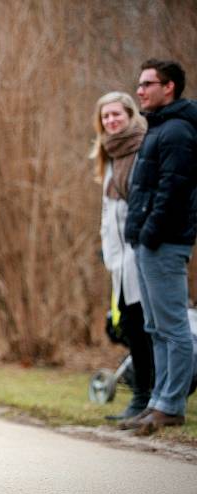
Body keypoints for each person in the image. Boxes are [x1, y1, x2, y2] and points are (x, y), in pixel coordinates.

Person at [121, 59, 197, 435]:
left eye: (148, 84)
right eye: (140, 84)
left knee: (173, 326)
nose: (140, 90)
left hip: (164, 242)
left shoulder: (179, 130)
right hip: (148, 242)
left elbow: (173, 189)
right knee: (154, 326)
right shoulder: (159, 127)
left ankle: (172, 404)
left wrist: (149, 232)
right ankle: (158, 403)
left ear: (169, 88)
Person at [89, 91, 154, 422]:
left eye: (117, 114)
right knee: (129, 324)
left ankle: (146, 398)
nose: (111, 121)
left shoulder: (142, 149)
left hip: (140, 252)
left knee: (141, 325)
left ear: (131, 116)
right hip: (118, 258)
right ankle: (145, 397)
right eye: (105, 116)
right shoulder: (109, 154)